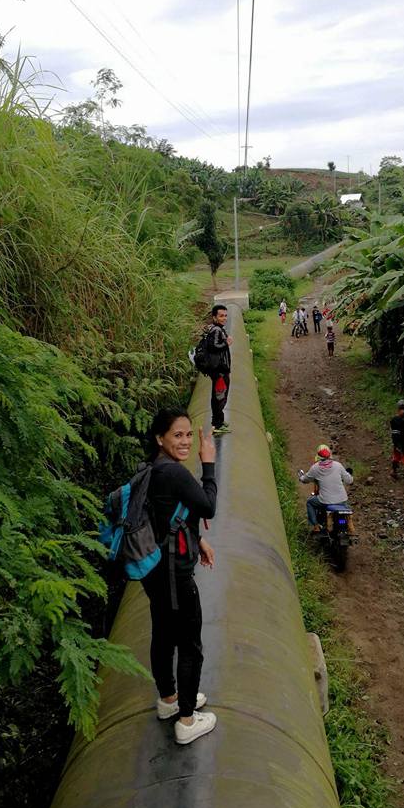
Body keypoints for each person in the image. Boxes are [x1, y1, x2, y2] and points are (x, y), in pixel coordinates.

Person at [142, 408, 218, 745]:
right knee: (189, 644)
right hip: (174, 574)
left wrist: (197, 538)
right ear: (161, 438)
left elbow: (164, 514)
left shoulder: (152, 469)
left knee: (162, 633)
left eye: (189, 434)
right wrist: (209, 463)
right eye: (178, 435)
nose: (186, 440)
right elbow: (209, 505)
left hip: (156, 569)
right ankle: (187, 720)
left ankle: (168, 700)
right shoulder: (175, 473)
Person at [298, 444, 355, 535]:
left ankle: (316, 526)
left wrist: (301, 477)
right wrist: (350, 476)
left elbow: (305, 479)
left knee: (310, 502)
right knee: (347, 507)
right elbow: (349, 480)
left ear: (318, 457)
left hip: (325, 501)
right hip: (342, 500)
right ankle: (349, 525)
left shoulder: (315, 468)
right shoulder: (338, 465)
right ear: (330, 456)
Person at [206, 304, 232, 435]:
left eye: (226, 315)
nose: (224, 318)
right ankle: (217, 425)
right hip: (219, 372)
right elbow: (213, 346)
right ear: (214, 317)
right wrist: (226, 343)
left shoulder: (216, 329)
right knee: (219, 397)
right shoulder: (216, 330)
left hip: (220, 370)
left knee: (219, 396)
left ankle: (219, 421)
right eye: (221, 316)